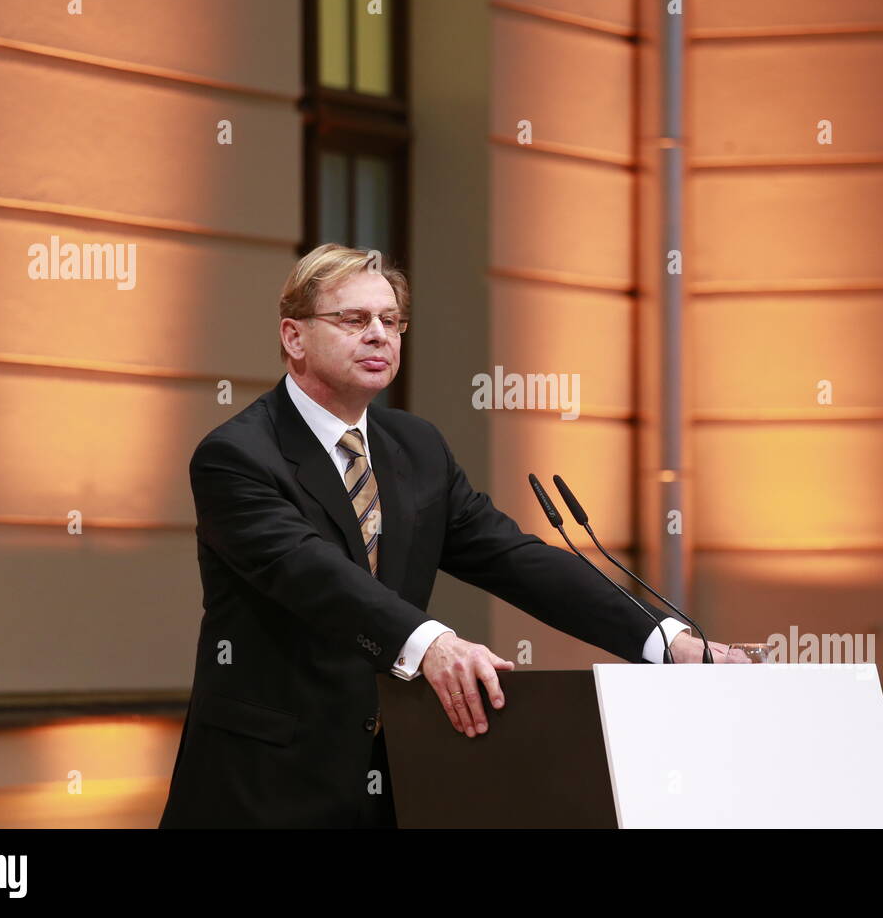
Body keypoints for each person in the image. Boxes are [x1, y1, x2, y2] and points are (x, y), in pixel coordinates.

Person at [159, 242, 747, 828]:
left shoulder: (416, 448)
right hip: (262, 783)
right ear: (293, 337)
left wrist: (665, 640)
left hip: (397, 777)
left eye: (390, 321)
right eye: (353, 319)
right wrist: (432, 644)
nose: (378, 335)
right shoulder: (236, 456)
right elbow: (314, 575)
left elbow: (513, 558)